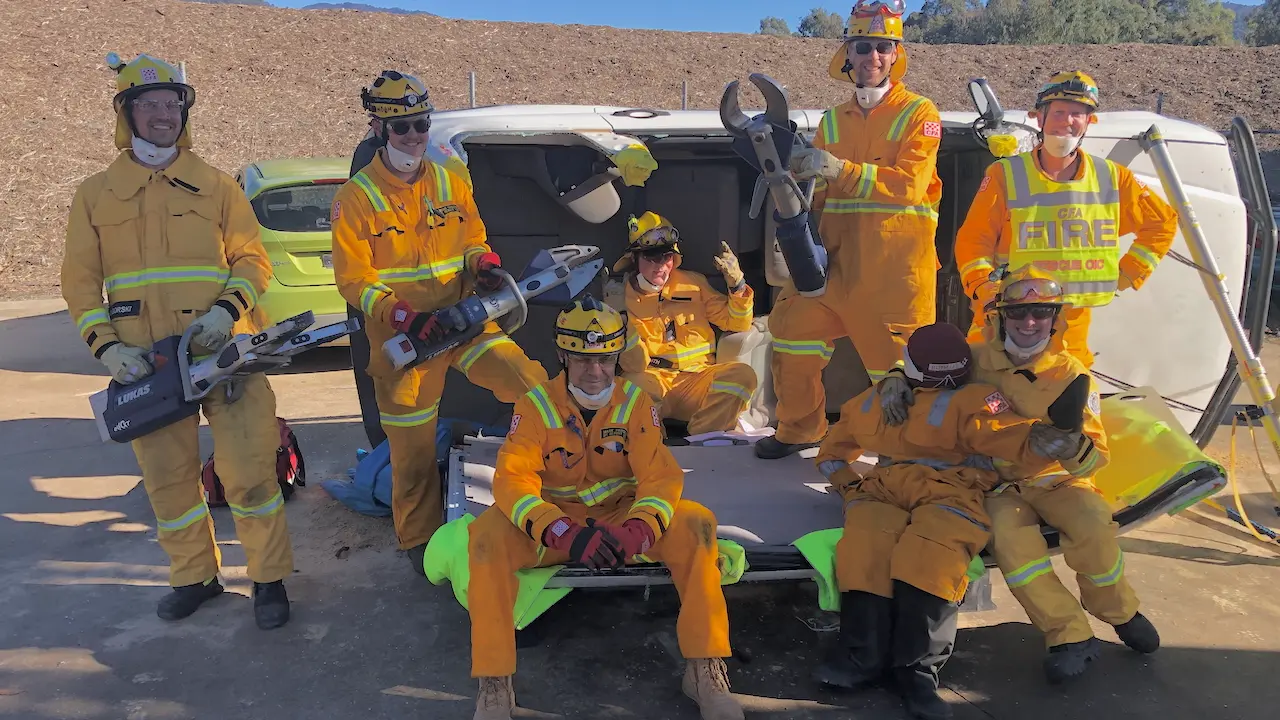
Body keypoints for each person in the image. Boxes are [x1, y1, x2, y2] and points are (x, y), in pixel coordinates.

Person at [61, 52, 293, 629]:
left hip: (227, 354)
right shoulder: (95, 195)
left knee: (250, 474)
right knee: (168, 482)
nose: (163, 114)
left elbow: (253, 261)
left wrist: (226, 312)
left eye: (173, 103)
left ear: (184, 113)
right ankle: (195, 578)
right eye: (150, 104)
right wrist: (107, 348)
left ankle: (269, 580)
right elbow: (80, 283)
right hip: (148, 364)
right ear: (126, 113)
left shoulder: (218, 187)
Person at [466, 296, 744, 720]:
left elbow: (660, 478)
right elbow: (513, 481)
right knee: (487, 538)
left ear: (617, 358)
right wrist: (563, 532)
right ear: (563, 356)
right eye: (582, 360)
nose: (595, 372)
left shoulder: (637, 404)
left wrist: (638, 530)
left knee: (697, 525)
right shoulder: (534, 406)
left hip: (620, 524)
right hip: (556, 528)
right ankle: (494, 684)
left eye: (605, 360)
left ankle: (705, 669)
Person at [329, 70, 549, 574]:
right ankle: (419, 544)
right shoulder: (355, 199)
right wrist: (401, 315)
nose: (414, 135)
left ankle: (545, 490)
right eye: (402, 126)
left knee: (534, 387)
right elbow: (353, 280)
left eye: (422, 123)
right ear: (379, 129)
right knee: (413, 456)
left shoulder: (451, 178)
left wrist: (483, 264)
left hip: (464, 323)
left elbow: (472, 238)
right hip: (405, 344)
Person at [896, 264, 1159, 683]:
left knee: (1093, 527)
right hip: (995, 484)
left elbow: (1097, 457)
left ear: (1056, 319)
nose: (1029, 322)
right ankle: (1070, 637)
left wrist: (1070, 447)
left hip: (1058, 479)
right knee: (1013, 546)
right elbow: (920, 365)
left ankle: (1118, 612)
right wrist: (894, 380)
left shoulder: (1073, 376)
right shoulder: (974, 358)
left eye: (1041, 312)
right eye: (1018, 313)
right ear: (1001, 317)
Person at [811, 322, 1080, 719]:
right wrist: (1052, 439)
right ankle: (868, 660)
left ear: (909, 366)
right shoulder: (974, 399)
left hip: (938, 490)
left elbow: (831, 455)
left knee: (929, 559)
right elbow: (1018, 439)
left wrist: (850, 486)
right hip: (908, 489)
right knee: (869, 553)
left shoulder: (879, 400)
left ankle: (911, 673)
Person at [757, 0, 943, 460]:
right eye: (863, 47)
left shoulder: (921, 114)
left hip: (892, 278)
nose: (872, 56)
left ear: (896, 55)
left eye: (883, 47)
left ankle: (902, 455)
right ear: (848, 54)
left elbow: (909, 186)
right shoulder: (832, 120)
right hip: (834, 269)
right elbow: (819, 194)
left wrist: (838, 169)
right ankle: (800, 430)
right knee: (790, 333)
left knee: (898, 375)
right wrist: (793, 181)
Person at [953, 70, 1178, 368]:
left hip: (1070, 328)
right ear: (1040, 118)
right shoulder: (1005, 175)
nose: (1067, 121)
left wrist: (1128, 273)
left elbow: (1162, 222)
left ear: (1088, 122)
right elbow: (973, 242)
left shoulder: (1112, 178)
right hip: (1005, 316)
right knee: (984, 389)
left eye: (1077, 114)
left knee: (1069, 393)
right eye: (1059, 112)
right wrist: (986, 290)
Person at [612, 212, 759, 435]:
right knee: (629, 388)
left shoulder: (694, 283)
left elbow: (738, 324)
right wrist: (620, 317)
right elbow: (634, 366)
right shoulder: (619, 297)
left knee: (743, 375)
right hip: (652, 378)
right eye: (651, 257)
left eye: (666, 257)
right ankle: (653, 444)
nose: (661, 265)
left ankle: (704, 436)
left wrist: (737, 285)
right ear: (634, 258)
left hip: (698, 379)